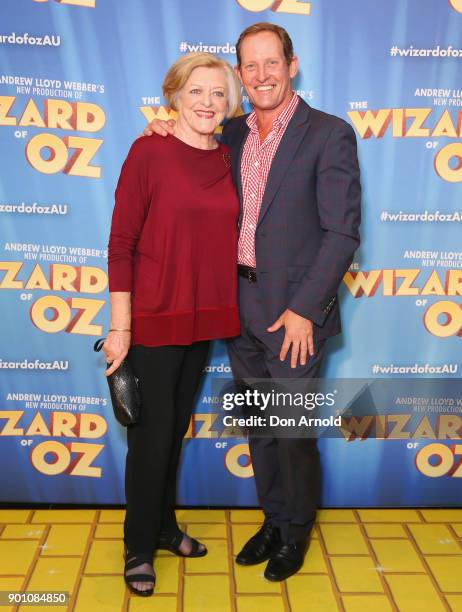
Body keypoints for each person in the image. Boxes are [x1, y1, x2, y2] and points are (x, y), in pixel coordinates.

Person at [145, 22, 361, 581]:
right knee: (260, 425)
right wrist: (160, 131)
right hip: (235, 303)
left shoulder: (329, 134)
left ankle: (295, 533)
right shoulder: (232, 132)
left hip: (295, 313)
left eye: (273, 62)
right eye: (250, 66)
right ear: (239, 74)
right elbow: (186, 156)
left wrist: (305, 309)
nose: (261, 75)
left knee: (291, 431)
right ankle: (272, 519)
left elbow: (341, 233)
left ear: (292, 65)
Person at [104, 52, 242, 596]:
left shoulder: (228, 157)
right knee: (151, 437)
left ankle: (163, 527)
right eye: (196, 92)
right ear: (174, 97)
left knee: (173, 432)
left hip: (203, 316)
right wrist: (121, 327)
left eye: (217, 93)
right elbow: (121, 243)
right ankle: (137, 544)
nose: (207, 102)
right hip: (155, 318)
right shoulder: (149, 151)